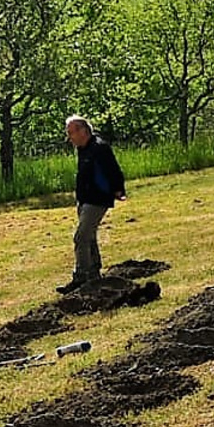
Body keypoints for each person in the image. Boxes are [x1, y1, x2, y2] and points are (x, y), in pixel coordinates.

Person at [59, 115, 126, 294]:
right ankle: (94, 273)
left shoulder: (99, 148)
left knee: (80, 237)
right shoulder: (82, 149)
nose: (69, 137)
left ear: (83, 131)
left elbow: (114, 170)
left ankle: (81, 277)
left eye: (71, 133)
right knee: (89, 237)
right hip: (85, 199)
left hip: (97, 199)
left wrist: (119, 190)